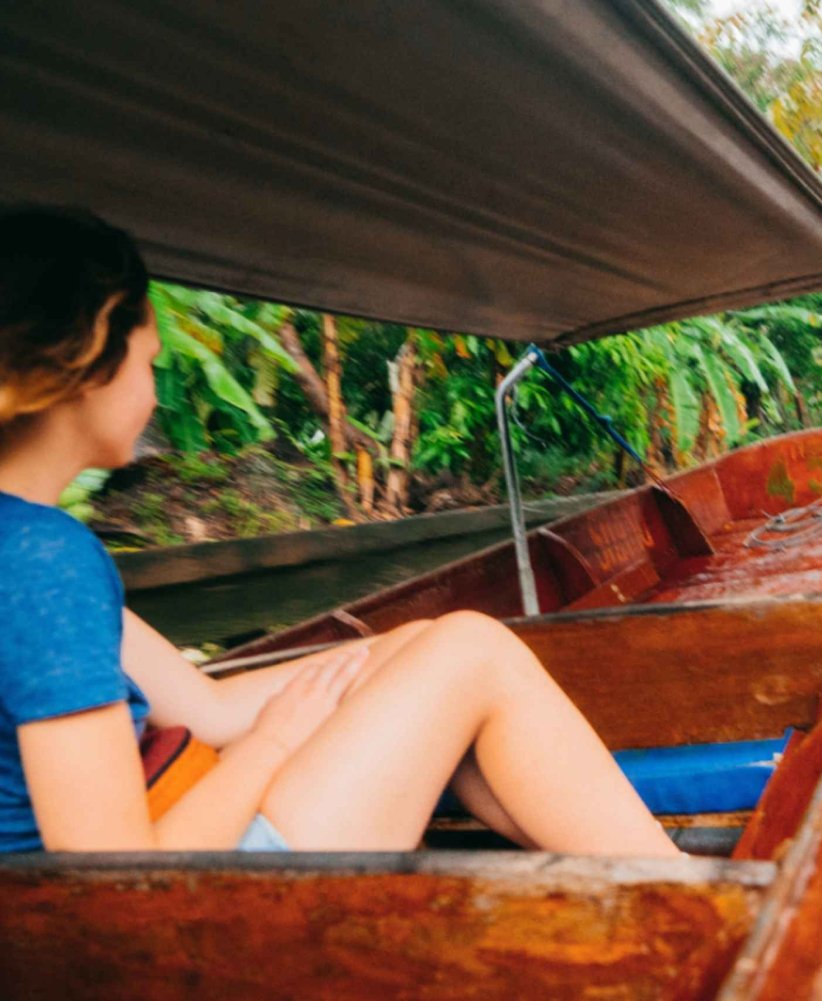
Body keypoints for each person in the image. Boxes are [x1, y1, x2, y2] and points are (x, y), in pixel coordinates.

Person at [0, 206, 679, 856]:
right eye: (150, 362)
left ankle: (636, 877)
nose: (155, 391)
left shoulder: (31, 548)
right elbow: (114, 874)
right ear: (90, 354)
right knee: (473, 652)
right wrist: (271, 744)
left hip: (128, 877)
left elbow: (207, 709)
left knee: (433, 644)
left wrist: (395, 654)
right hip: (171, 912)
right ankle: (683, 892)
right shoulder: (44, 562)